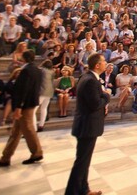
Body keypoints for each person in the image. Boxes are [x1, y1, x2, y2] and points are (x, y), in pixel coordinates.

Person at [65, 53, 111, 195]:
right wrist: (107, 95)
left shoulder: (87, 77)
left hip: (86, 124)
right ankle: (72, 192)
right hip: (87, 125)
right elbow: (95, 103)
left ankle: (84, 189)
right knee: (81, 162)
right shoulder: (91, 80)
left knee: (84, 161)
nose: (106, 63)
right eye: (103, 61)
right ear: (97, 65)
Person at [0, 50, 44, 168]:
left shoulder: (26, 71)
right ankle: (5, 157)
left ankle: (37, 152)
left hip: (25, 105)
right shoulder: (37, 70)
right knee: (15, 132)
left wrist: (19, 106)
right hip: (30, 102)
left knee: (28, 129)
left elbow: (24, 90)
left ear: (23, 58)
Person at [36, 59, 55, 132]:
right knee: (44, 108)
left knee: (34, 109)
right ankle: (41, 125)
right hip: (49, 91)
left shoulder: (41, 70)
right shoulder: (52, 72)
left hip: (41, 90)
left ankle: (34, 127)